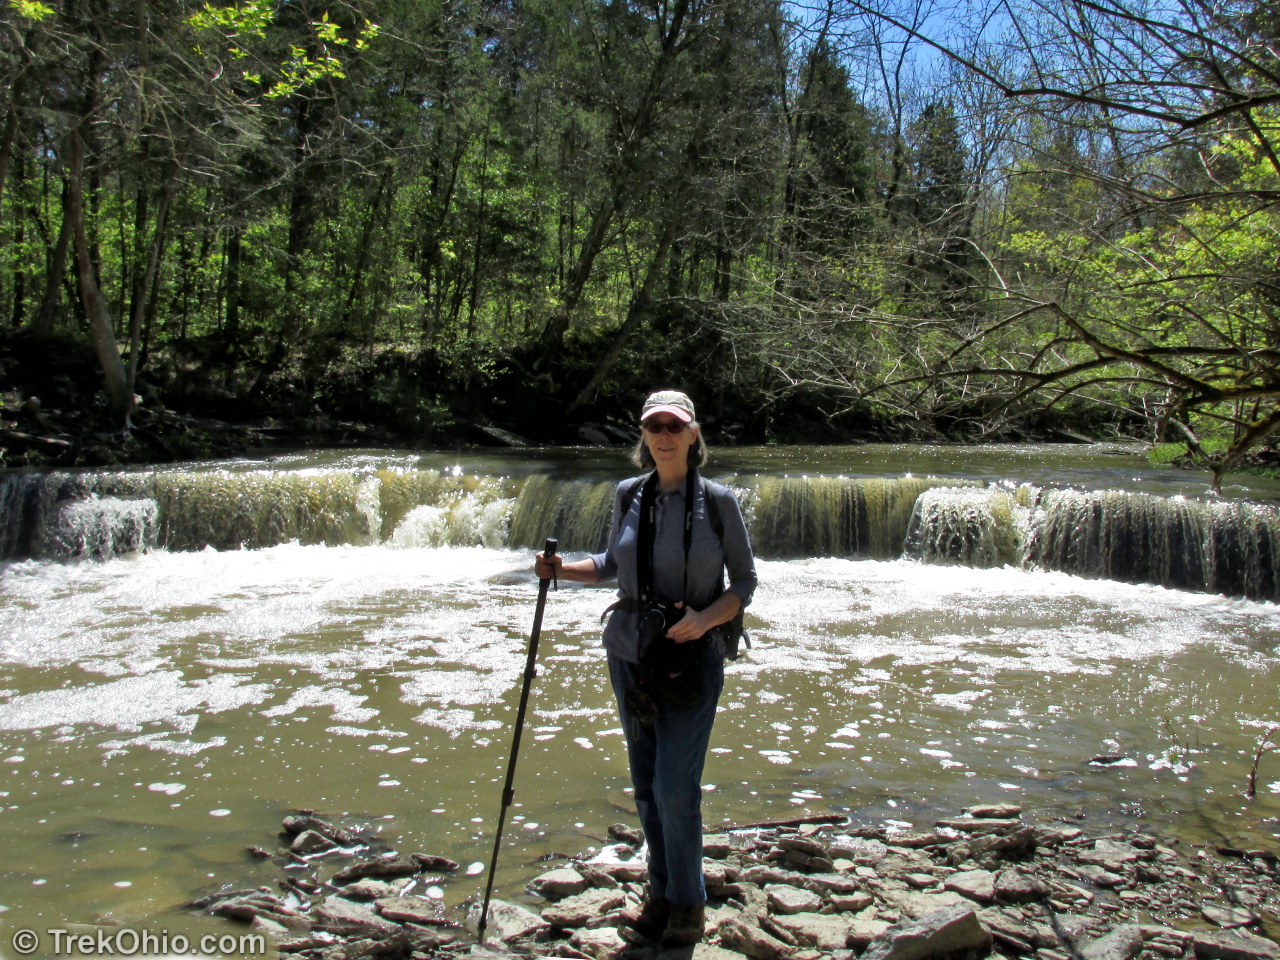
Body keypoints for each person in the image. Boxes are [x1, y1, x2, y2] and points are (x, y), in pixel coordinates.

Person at [535, 390, 757, 947]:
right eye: (653, 426)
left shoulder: (719, 501)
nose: (663, 435)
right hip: (631, 652)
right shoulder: (628, 493)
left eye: (673, 426)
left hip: (692, 658)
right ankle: (661, 894)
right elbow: (613, 564)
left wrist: (705, 621)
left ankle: (689, 902)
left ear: (693, 435)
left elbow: (744, 585)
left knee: (674, 786)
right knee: (645, 785)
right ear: (644, 435)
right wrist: (561, 570)